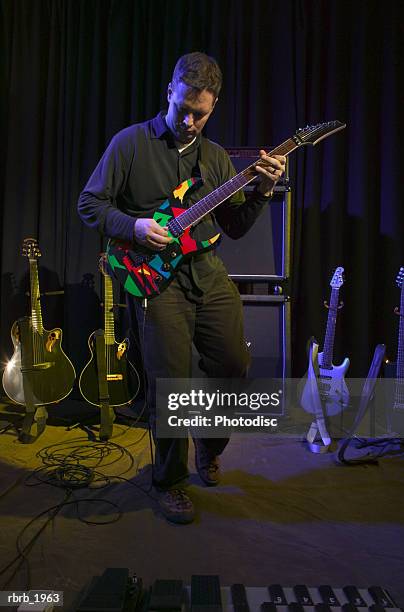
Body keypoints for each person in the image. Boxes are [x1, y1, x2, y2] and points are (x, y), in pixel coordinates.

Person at [78, 52, 285, 524]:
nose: (190, 121)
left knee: (234, 364)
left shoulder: (214, 159)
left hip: (207, 271)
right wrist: (133, 227)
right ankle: (168, 482)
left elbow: (232, 227)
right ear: (169, 91)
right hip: (153, 278)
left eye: (201, 114)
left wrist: (262, 192)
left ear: (214, 107)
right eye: (183, 110)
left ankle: (208, 447)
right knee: (172, 385)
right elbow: (90, 204)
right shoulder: (129, 144)